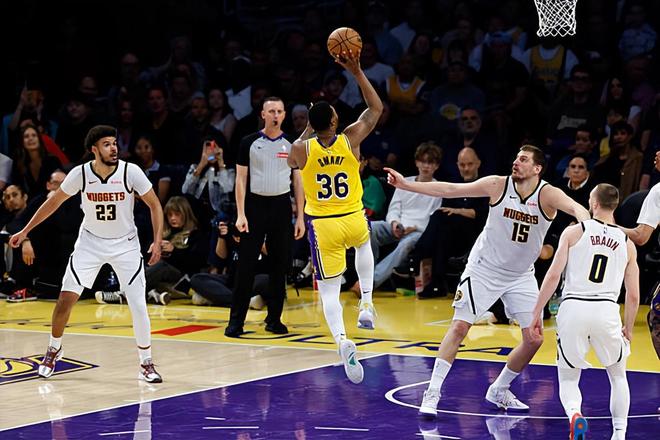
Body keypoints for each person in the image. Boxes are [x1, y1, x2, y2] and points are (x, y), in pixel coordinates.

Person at [385, 144, 590, 414]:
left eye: (523, 159)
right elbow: (451, 189)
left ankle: (499, 389)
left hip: (520, 275)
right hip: (484, 268)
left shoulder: (548, 194)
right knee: (459, 327)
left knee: (534, 338)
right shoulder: (497, 184)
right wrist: (406, 185)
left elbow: (577, 208)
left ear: (537, 168)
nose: (516, 162)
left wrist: (587, 227)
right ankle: (432, 392)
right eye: (516, 157)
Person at [9, 125, 164, 383]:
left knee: (138, 305)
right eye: (106, 144)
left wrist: (157, 241)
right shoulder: (80, 174)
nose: (113, 148)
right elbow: (53, 202)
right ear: (94, 149)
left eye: (114, 143)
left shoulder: (131, 171)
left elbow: (155, 205)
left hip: (125, 244)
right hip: (90, 244)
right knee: (65, 299)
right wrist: (25, 230)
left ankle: (146, 363)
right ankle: (53, 349)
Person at [288, 48, 383, 384]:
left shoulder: (301, 149)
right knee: (364, 247)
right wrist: (357, 72)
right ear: (334, 121)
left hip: (323, 225)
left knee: (329, 290)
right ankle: (367, 302)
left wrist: (309, 129)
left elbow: (292, 158)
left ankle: (342, 341)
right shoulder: (350, 139)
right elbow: (375, 109)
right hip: (353, 215)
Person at [531, 184, 639, 440]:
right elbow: (633, 295)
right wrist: (629, 327)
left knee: (569, 378)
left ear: (594, 203)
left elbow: (553, 276)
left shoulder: (574, 232)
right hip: (606, 309)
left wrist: (535, 312)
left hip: (574, 307)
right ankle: (619, 433)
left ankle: (575, 415)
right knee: (618, 376)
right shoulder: (627, 243)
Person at [224, 97, 305, 337]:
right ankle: (236, 322)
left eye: (279, 111)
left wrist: (300, 217)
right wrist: (241, 214)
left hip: (281, 206)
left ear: (284, 114)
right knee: (246, 266)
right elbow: (240, 180)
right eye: (271, 111)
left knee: (279, 266)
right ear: (263, 114)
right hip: (254, 206)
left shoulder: (293, 144)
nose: (275, 115)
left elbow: (298, 182)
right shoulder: (248, 142)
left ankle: (274, 319)